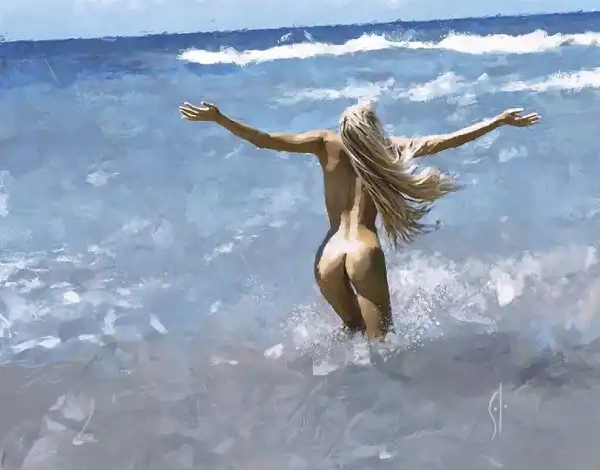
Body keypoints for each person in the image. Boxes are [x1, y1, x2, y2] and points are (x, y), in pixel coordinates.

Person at [179, 100, 540, 340]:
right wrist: (498, 121)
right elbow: (446, 141)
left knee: (352, 332)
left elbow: (266, 140)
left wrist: (220, 119)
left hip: (328, 255)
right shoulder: (390, 147)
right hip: (363, 249)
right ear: (373, 129)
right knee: (382, 345)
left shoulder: (324, 143)